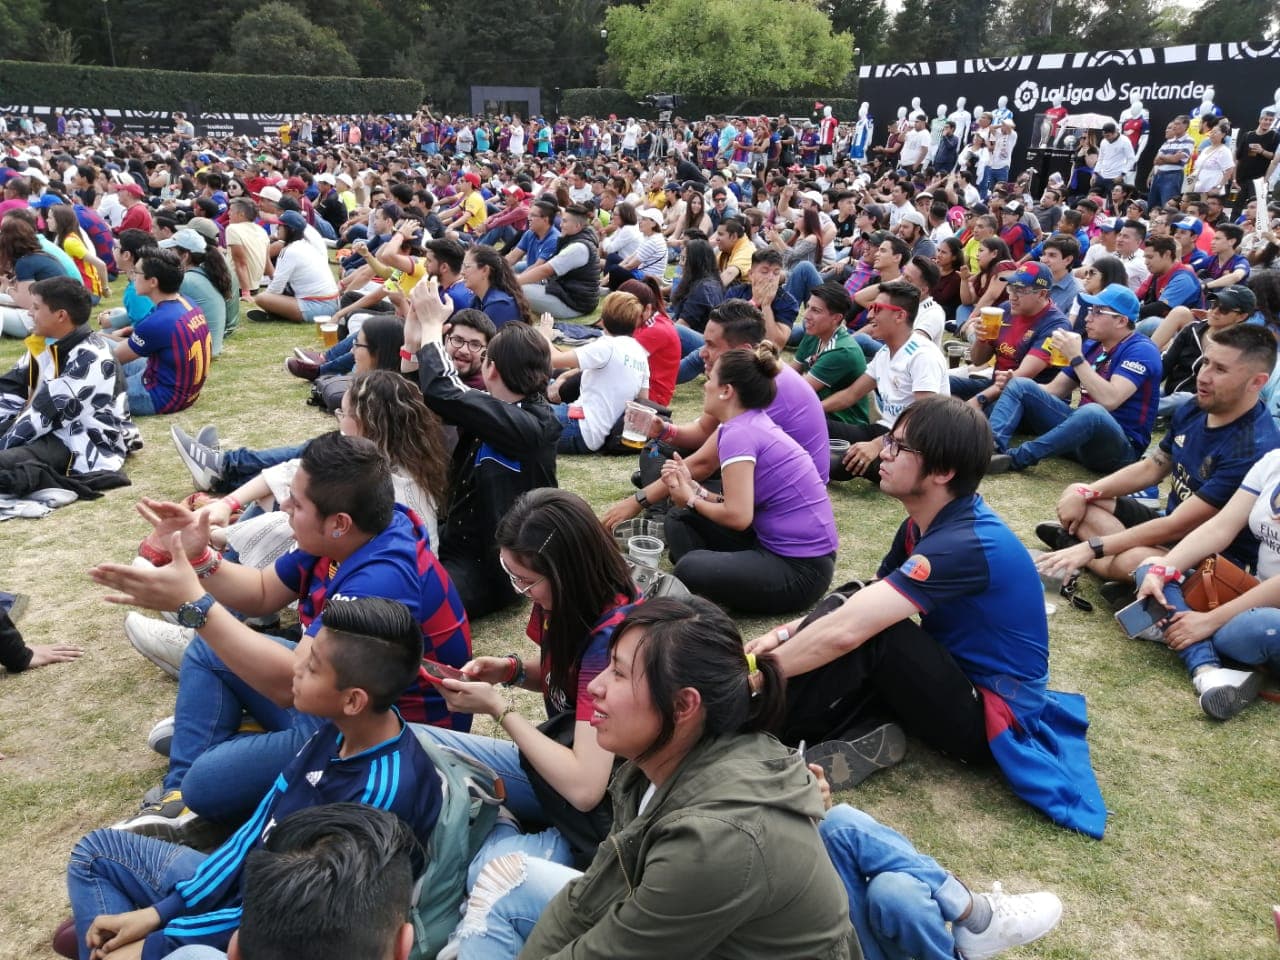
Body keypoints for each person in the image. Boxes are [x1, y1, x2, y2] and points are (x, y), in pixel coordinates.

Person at [746, 396, 1107, 838]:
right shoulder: (925, 521)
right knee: (855, 599)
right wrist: (786, 634)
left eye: (898, 447)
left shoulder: (965, 543)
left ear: (942, 472)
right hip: (956, 679)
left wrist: (762, 676)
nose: (883, 454)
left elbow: (849, 632)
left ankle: (751, 722)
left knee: (877, 636)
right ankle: (848, 728)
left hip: (990, 718)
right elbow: (862, 599)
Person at [444, 597, 855, 960]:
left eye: (619, 674)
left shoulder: (715, 841)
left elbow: (607, 951)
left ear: (682, 705)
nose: (597, 688)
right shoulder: (651, 766)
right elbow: (587, 899)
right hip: (698, 932)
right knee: (504, 881)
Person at [96, 433, 470, 831]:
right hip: (334, 701)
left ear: (338, 523)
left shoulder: (381, 578)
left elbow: (292, 683)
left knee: (204, 785)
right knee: (208, 655)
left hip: (383, 735)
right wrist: (199, 556)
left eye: (297, 502)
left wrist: (195, 606)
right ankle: (180, 803)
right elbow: (262, 592)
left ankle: (208, 770)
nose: (285, 505)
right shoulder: (355, 530)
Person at [61, 597, 446, 960]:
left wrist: (160, 941)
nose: (294, 666)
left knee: (131, 942)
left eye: (311, 667)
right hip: (255, 889)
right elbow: (258, 829)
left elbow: (295, 918)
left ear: (352, 700)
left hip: (285, 931)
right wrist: (161, 913)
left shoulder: (381, 794)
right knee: (95, 853)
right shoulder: (337, 730)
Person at [422, 488, 638, 869]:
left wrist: (497, 708)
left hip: (594, 793)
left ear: (565, 573)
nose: (519, 591)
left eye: (526, 580)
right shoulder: (572, 600)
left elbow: (587, 787)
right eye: (511, 575)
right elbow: (566, 678)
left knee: (424, 743)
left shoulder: (612, 640)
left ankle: (518, 834)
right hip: (566, 754)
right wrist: (511, 670)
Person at [1035, 323, 1279, 598]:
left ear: (1257, 382)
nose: (1203, 375)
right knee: (1081, 497)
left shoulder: (1253, 446)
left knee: (1135, 559)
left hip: (1210, 555)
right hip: (1169, 529)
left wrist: (1092, 547)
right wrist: (1086, 491)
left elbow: (1180, 525)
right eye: (1206, 362)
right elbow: (1153, 467)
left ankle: (1085, 552)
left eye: (1220, 369)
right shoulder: (1195, 407)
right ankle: (1113, 567)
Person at [403, 277, 561, 619]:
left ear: (491, 368)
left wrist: (433, 326)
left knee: (406, 604)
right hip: (458, 541)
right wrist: (415, 339)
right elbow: (433, 397)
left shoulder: (529, 427)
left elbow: (445, 391)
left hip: (493, 570)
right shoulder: (510, 410)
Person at [601, 300, 829, 530]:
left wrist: (636, 501)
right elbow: (703, 432)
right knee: (658, 448)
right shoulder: (749, 373)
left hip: (783, 498)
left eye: (711, 345)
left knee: (678, 499)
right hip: (752, 470)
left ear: (743, 351)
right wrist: (663, 430)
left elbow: (704, 462)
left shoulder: (765, 386)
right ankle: (665, 499)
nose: (702, 353)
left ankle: (661, 515)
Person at [662, 343, 837, 614]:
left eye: (710, 381)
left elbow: (738, 516)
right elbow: (741, 503)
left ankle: (702, 593)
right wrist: (696, 490)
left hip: (802, 568)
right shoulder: (745, 424)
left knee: (689, 565)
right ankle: (706, 589)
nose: (705, 387)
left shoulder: (739, 433)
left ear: (726, 391)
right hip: (771, 542)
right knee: (679, 518)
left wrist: (692, 499)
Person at [987, 283, 1161, 475]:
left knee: (1093, 412)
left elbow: (1110, 400)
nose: (1087, 317)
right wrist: (1015, 385)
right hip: (1080, 436)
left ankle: (1015, 459)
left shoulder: (1141, 350)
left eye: (1097, 312)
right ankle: (990, 448)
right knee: (1021, 384)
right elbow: (1055, 390)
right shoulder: (1092, 345)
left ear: (1121, 321)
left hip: (1119, 450)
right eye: (1089, 310)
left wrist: (1076, 358)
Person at [0, 276, 134, 495]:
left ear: (61, 315)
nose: (29, 313)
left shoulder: (91, 357)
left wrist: (5, 439)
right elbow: (10, 386)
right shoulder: (47, 344)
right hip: (50, 428)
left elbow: (44, 414)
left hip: (81, 439)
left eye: (36, 307)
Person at [826, 281, 949, 484]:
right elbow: (851, 394)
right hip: (885, 431)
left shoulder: (922, 355)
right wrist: (812, 410)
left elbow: (923, 419)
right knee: (813, 424)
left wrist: (877, 445)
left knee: (837, 463)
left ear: (899, 315)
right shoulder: (885, 352)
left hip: (914, 444)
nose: (870, 315)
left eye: (877, 309)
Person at [542, 291, 650, 454]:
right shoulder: (640, 353)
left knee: (513, 414)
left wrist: (544, 335)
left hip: (579, 428)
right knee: (534, 386)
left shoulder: (607, 346)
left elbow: (552, 359)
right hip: (595, 433)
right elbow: (642, 402)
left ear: (603, 320)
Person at [952, 262, 1070, 405]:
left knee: (975, 414)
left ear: (1042, 293)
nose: (1012, 296)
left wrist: (978, 400)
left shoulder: (1055, 325)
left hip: (1027, 399)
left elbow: (1021, 378)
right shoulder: (1005, 310)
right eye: (1011, 288)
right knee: (942, 384)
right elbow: (978, 360)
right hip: (995, 386)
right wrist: (981, 338)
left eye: (1020, 290)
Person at [113, 250, 211, 417]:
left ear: (152, 282)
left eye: (136, 272)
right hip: (184, 389)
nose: (132, 276)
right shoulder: (185, 301)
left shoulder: (159, 322)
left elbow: (112, 358)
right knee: (104, 344)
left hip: (158, 396)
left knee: (86, 391)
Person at [792, 282, 869, 424]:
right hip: (815, 410)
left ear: (836, 318)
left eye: (815, 310)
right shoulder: (814, 333)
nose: (806, 315)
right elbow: (791, 372)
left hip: (841, 420)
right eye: (808, 307)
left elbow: (798, 390)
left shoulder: (842, 351)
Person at [247, 211, 340, 323]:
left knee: (262, 298)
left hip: (318, 307)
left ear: (289, 230)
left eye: (280, 226)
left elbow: (276, 288)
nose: (277, 228)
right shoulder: (306, 245)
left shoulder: (290, 251)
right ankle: (279, 313)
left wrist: (269, 301)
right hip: (333, 303)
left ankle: (278, 314)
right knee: (278, 294)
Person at [159, 228, 235, 358]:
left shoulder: (186, 280)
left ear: (185, 256)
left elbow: (154, 314)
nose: (166, 255)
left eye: (171, 251)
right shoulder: (202, 274)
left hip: (198, 352)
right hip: (208, 347)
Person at [519, 204, 601, 319]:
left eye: (565, 221)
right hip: (569, 294)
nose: (561, 225)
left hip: (574, 304)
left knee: (517, 290)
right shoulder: (578, 240)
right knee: (525, 280)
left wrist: (513, 282)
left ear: (578, 226)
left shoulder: (578, 247)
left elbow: (545, 270)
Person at [0, 215, 66, 337]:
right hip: (59, 316)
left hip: (45, 319)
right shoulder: (40, 256)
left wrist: (8, 288)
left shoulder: (25, 263)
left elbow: (25, 303)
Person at [461, 244, 534, 329]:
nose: (462, 272)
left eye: (467, 267)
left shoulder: (499, 305)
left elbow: (480, 341)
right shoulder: (477, 300)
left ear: (485, 270)